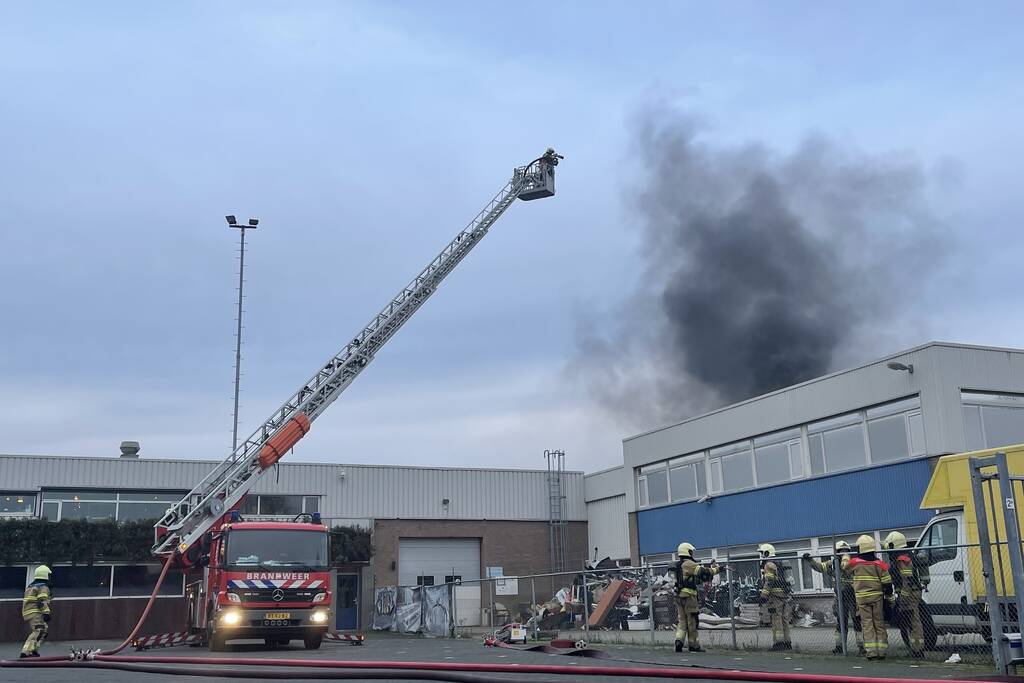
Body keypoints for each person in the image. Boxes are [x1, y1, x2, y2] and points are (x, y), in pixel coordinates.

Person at [803, 542, 864, 654]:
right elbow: (820, 567)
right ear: (837, 553)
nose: (844, 554)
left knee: (857, 622)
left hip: (853, 597)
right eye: (841, 551)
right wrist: (810, 560)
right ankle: (840, 647)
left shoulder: (853, 563)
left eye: (846, 551)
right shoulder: (832, 564)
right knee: (841, 623)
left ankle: (862, 647)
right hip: (840, 598)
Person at [884, 531, 929, 658]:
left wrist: (903, 597)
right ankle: (915, 649)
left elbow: (906, 580)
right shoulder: (907, 556)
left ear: (894, 545)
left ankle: (918, 650)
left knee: (914, 621)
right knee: (910, 622)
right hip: (910, 592)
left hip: (909, 594)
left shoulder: (902, 560)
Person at [849, 535, 894, 660]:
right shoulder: (880, 564)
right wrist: (889, 598)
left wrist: (844, 555)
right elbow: (887, 582)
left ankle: (871, 652)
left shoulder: (854, 563)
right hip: (877, 598)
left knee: (867, 624)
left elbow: (844, 568)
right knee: (879, 623)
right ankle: (882, 651)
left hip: (862, 599)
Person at [672, 542, 719, 653]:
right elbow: (703, 571)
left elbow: (693, 579)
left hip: (679, 596)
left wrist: (703, 579)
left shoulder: (678, 565)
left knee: (682, 621)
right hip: (689, 597)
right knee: (692, 621)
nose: (692, 553)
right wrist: (718, 569)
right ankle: (694, 645)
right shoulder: (688, 564)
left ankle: (679, 641)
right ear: (687, 551)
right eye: (691, 551)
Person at [758, 543, 792, 651]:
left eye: (762, 553)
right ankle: (787, 643)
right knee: (784, 619)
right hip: (784, 595)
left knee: (776, 618)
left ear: (767, 552)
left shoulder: (768, 565)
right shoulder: (779, 562)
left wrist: (763, 595)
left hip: (775, 596)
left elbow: (769, 581)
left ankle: (778, 644)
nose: (761, 555)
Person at [21, 565, 52, 658]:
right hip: (35, 612)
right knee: (38, 630)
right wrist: (47, 613)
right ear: (45, 575)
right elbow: (41, 601)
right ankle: (25, 652)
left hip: (29, 612)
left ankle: (33, 650)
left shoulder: (31, 586)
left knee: (44, 630)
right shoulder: (43, 587)